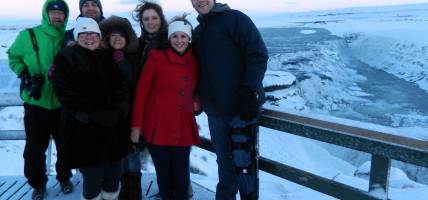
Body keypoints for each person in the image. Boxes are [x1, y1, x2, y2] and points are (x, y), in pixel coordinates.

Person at [191, 0, 269, 199]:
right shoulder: (198, 32)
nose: (200, 0)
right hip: (216, 113)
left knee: (245, 165)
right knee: (224, 164)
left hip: (241, 110)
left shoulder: (235, 19)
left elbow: (258, 54)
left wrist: (250, 90)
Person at [51, 17, 130, 200]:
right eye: (84, 33)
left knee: (113, 180)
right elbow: (66, 95)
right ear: (77, 36)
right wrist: (92, 115)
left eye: (93, 33)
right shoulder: (65, 58)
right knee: (92, 182)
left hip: (113, 132)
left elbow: (122, 88)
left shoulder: (108, 57)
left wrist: (119, 111)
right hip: (85, 134)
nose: (89, 37)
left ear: (99, 36)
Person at [7, 0, 73, 199]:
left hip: (63, 104)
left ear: (66, 15)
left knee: (66, 146)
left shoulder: (70, 37)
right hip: (37, 103)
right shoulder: (28, 35)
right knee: (35, 149)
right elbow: (13, 57)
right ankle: (38, 184)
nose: (57, 16)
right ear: (45, 14)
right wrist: (24, 73)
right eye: (52, 12)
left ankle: (64, 177)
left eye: (61, 12)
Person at [131, 16, 201, 200]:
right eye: (175, 36)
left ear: (189, 39)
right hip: (158, 127)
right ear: (169, 38)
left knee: (181, 175)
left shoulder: (194, 60)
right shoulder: (156, 57)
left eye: (183, 36)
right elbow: (141, 93)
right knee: (164, 175)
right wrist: (136, 127)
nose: (179, 40)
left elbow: (200, 89)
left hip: (182, 126)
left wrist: (197, 102)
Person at [98, 15, 142, 200]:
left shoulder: (134, 57)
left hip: (131, 114)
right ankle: (123, 191)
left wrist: (122, 63)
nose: (117, 39)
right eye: (113, 35)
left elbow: (136, 83)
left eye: (121, 36)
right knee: (117, 155)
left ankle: (135, 191)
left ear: (127, 38)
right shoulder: (102, 57)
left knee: (132, 154)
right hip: (111, 116)